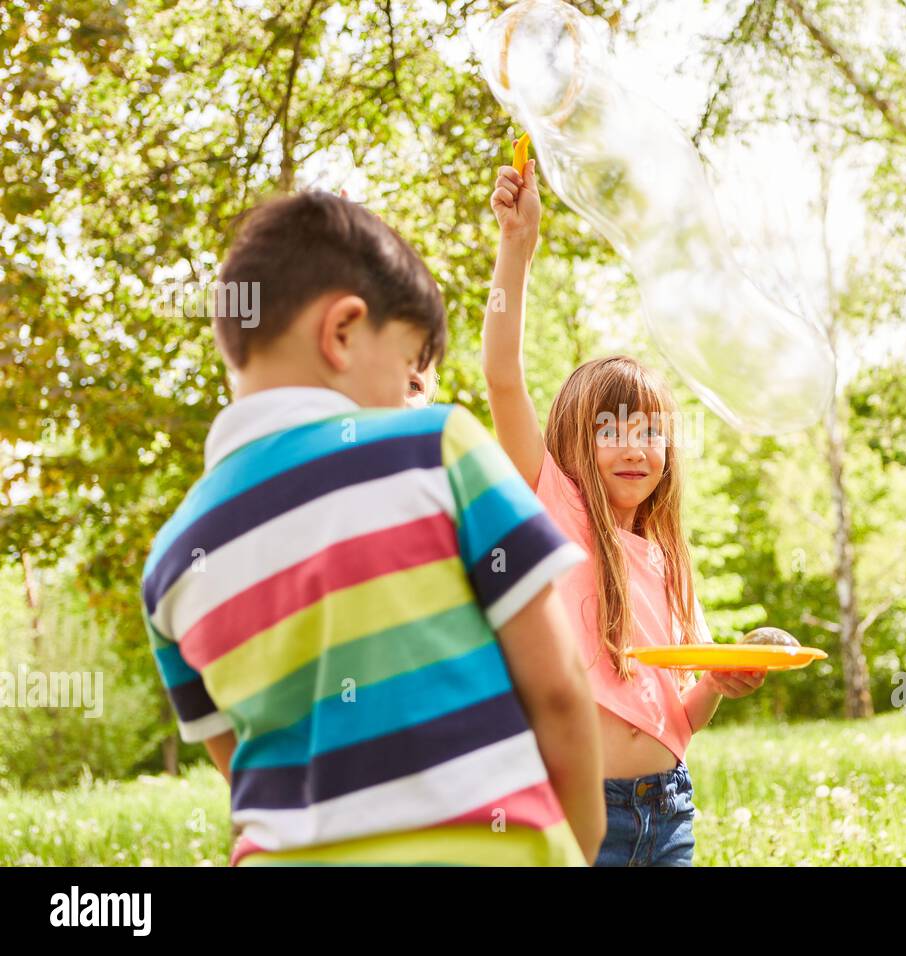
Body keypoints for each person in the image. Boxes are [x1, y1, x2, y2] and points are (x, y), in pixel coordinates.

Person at [141, 190, 604, 865]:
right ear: (343, 332)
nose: (412, 390)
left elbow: (242, 768)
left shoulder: (172, 561)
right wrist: (582, 843)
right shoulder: (436, 447)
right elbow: (559, 688)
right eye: (411, 363)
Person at [483, 150, 765, 866]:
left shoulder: (671, 560)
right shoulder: (556, 505)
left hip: (668, 810)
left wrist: (723, 680)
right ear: (575, 441)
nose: (632, 445)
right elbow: (502, 375)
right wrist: (518, 246)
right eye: (610, 429)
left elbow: (680, 718)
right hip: (579, 812)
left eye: (649, 430)